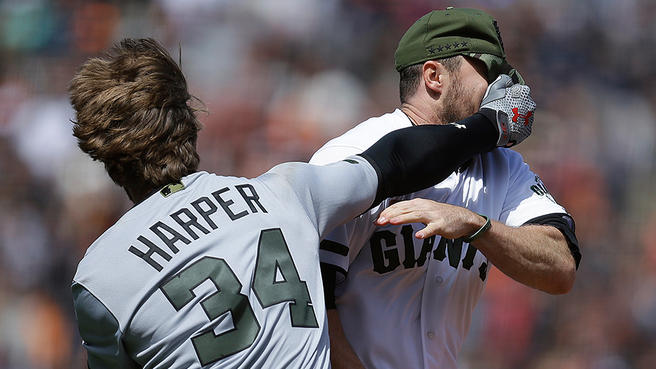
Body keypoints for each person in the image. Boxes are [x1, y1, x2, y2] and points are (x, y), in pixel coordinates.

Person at [68, 38, 535, 368]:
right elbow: (399, 157)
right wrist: (489, 126)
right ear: (191, 124)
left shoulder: (100, 275)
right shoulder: (284, 194)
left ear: (104, 158)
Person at [309, 7, 581, 369]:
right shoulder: (354, 155)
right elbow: (307, 300)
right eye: (488, 71)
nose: (504, 89)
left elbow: (560, 267)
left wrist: (476, 226)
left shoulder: (504, 167)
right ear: (434, 76)